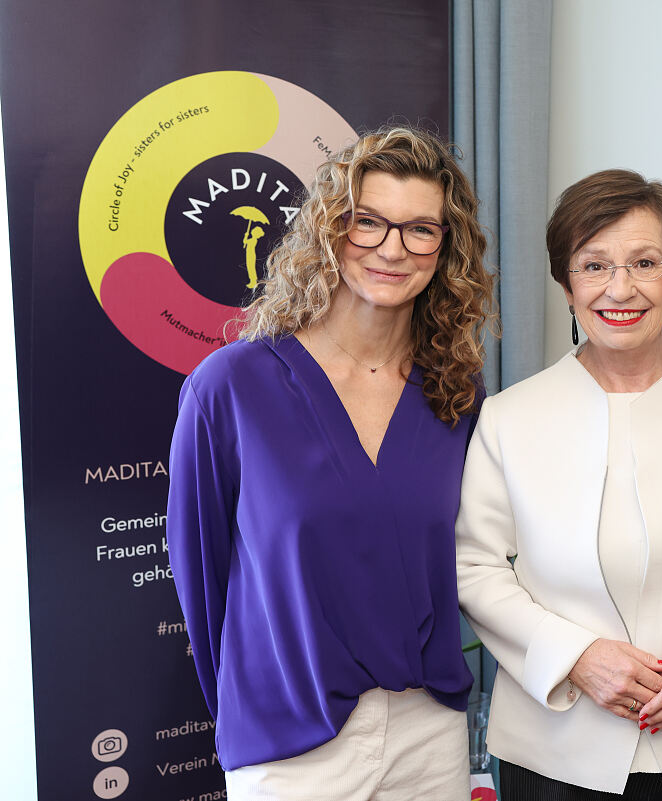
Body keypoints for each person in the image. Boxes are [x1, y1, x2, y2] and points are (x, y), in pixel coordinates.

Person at [166, 126, 493, 800]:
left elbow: (472, 556)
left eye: (420, 230)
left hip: (428, 736)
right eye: (367, 221)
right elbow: (202, 577)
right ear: (329, 229)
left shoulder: (456, 394)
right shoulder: (230, 387)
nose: (392, 249)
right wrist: (248, 715)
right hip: (290, 743)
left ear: (446, 249)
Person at [455, 169, 662, 800]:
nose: (620, 288)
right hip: (550, 747)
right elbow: (475, 566)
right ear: (566, 284)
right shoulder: (511, 417)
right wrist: (574, 656)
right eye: (594, 265)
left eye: (645, 263)